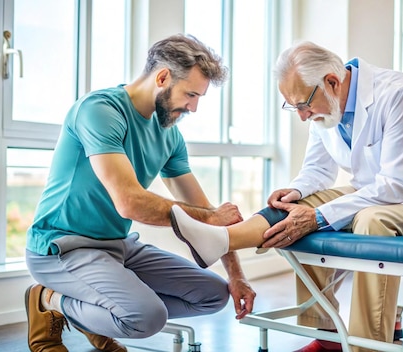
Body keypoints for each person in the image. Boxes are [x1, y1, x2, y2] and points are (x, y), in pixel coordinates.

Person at [167, 40, 403, 352]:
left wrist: (320, 216)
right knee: (299, 208)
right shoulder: (324, 107)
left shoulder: (398, 94)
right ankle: (224, 242)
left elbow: (396, 185)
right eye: (295, 107)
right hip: (382, 192)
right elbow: (317, 173)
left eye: (304, 105)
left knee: (369, 219)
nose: (303, 116)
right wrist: (296, 191)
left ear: (332, 82)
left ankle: (369, 345)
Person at [24, 34, 256, 352]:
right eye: (190, 94)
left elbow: (204, 209)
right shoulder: (101, 110)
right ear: (162, 77)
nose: (194, 107)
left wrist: (237, 275)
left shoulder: (169, 136)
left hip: (118, 247)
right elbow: (129, 202)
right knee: (146, 318)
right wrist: (210, 216)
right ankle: (48, 298)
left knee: (214, 295)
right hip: (62, 249)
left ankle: (96, 314)